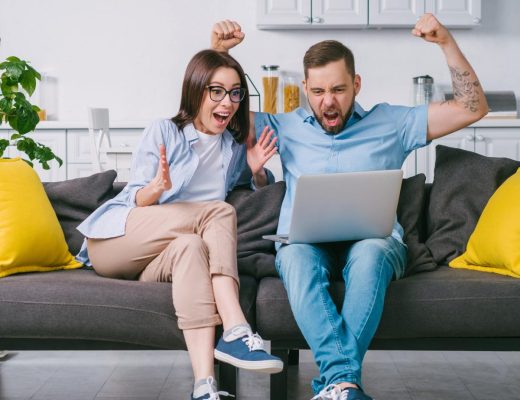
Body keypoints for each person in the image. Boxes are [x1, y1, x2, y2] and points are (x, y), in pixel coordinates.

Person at [211, 14, 488, 400]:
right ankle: (344, 385)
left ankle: (336, 381)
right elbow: (211, 115)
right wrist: (218, 53)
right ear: (304, 87)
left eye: (339, 89)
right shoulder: (283, 126)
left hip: (374, 241)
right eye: (319, 90)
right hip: (304, 244)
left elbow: (472, 109)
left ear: (356, 84)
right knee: (293, 259)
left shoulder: (392, 123)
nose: (329, 101)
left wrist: (446, 42)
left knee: (372, 252)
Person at [76, 49, 283, 400]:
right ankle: (235, 328)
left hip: (161, 256)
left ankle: (204, 386)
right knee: (218, 212)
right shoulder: (165, 131)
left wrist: (256, 171)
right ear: (196, 91)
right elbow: (135, 197)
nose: (228, 101)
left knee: (192, 247)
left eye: (235, 93)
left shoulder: (231, 151)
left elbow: (247, 190)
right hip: (117, 241)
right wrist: (155, 189)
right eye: (216, 91)